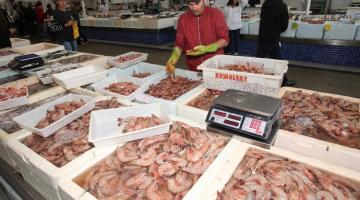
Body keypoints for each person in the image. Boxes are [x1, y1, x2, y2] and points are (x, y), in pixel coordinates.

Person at [166, 0, 229, 74]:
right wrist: (173, 59)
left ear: (204, 1)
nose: (194, 8)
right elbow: (180, 44)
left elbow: (224, 40)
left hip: (214, 66)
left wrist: (207, 48)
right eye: (190, 4)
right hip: (194, 68)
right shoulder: (183, 19)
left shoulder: (216, 14)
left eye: (197, 4)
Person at [256, 0, 295, 86]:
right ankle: (283, 81)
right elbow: (284, 25)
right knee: (278, 62)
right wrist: (277, 30)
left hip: (262, 36)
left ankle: (255, 79)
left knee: (258, 60)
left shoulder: (265, 3)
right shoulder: (282, 5)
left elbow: (262, 18)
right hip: (273, 38)